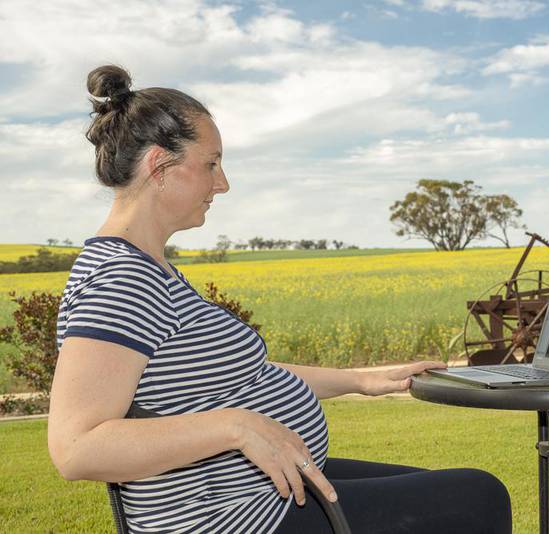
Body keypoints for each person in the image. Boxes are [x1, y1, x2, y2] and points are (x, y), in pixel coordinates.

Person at [47, 65, 512, 534]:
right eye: (211, 163)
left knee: (442, 491)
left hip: (252, 494)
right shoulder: (122, 279)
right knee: (477, 496)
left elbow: (240, 377)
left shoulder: (151, 268)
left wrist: (363, 380)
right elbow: (77, 447)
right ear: (159, 166)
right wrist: (236, 426)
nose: (222, 183)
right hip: (227, 518)